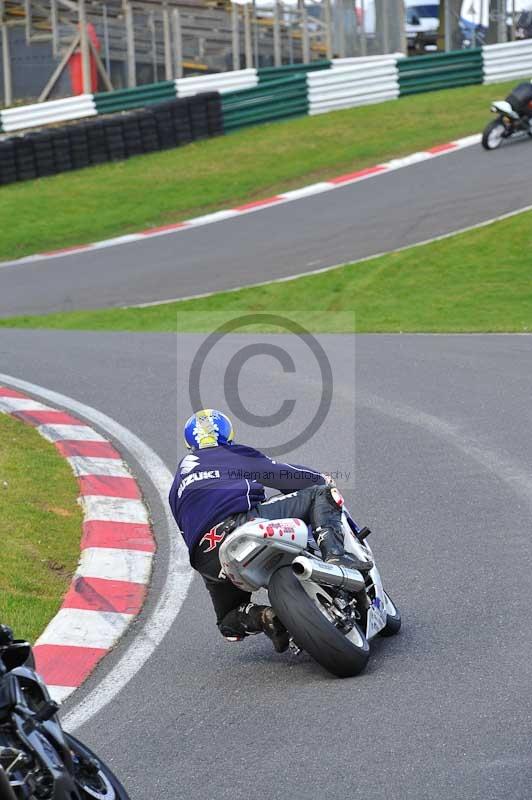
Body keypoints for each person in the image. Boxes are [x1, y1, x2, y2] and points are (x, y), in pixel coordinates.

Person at [169, 409, 371, 653]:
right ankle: (336, 555)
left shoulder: (175, 487)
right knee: (320, 494)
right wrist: (320, 478)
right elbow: (285, 476)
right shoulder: (230, 453)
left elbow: (186, 533)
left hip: (206, 556)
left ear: (190, 443)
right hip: (242, 523)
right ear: (227, 434)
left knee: (227, 621)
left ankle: (266, 617)